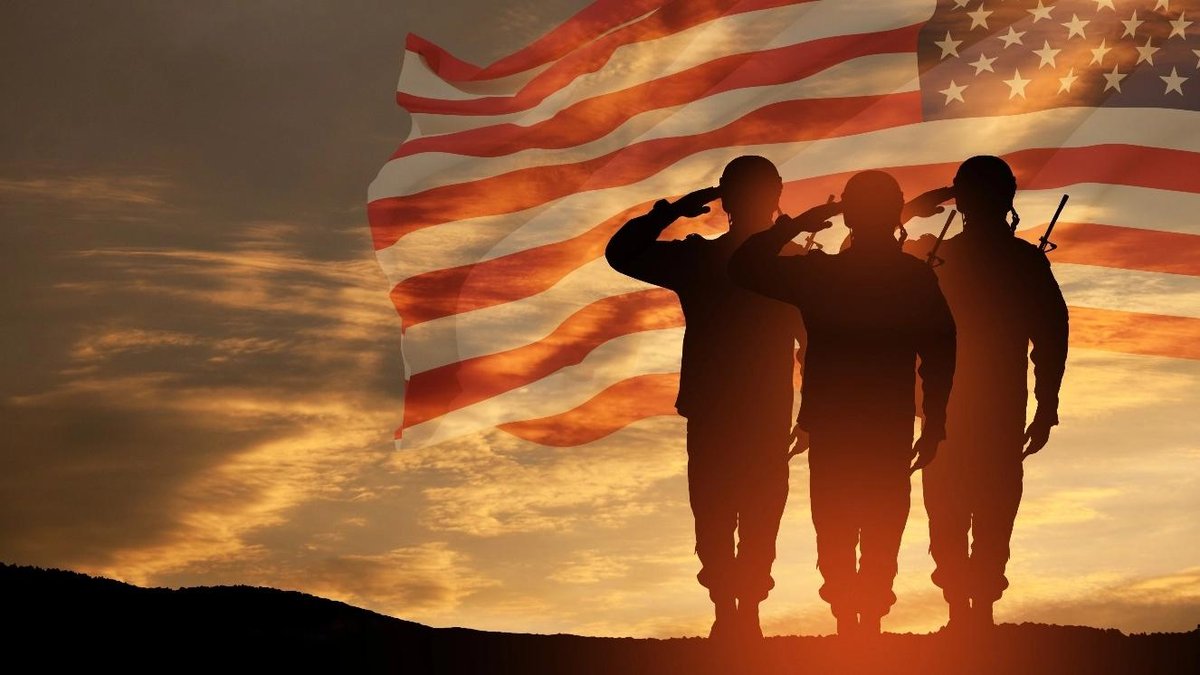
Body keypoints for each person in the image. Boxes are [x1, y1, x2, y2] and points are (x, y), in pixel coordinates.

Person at [728, 170, 956, 637]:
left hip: (835, 421)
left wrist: (803, 222)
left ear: (848, 214)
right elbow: (940, 350)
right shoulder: (911, 277)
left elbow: (745, 266)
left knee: (835, 519)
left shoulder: (822, 275)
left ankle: (854, 622)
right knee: (880, 520)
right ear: (894, 214)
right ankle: (865, 619)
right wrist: (934, 422)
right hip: (884, 421)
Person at [604, 156, 819, 641]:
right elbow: (620, 256)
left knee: (734, 507)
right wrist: (670, 212)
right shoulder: (735, 261)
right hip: (735, 407)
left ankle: (737, 609)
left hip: (741, 407)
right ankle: (734, 609)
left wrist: (672, 213)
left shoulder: (712, 261)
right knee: (733, 508)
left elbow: (810, 344)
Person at [906, 156, 1069, 631]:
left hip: (953, 409)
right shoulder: (1017, 262)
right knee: (988, 508)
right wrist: (1046, 406)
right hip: (981, 409)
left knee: (955, 508)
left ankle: (966, 611)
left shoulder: (936, 258)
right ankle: (972, 612)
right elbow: (1052, 337)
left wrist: (921, 204)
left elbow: (1052, 336)